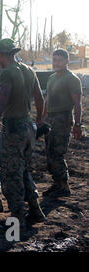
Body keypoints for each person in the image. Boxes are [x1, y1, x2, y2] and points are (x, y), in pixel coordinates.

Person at [0, 38, 46, 228]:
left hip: (13, 130)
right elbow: (40, 98)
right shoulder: (28, 70)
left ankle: (17, 218)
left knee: (9, 175)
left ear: (3, 54)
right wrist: (39, 119)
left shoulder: (8, 73)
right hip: (27, 128)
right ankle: (35, 209)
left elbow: (0, 104)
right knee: (23, 170)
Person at [43, 49, 83, 198]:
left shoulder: (72, 79)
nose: (56, 63)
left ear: (67, 61)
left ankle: (64, 186)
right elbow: (47, 99)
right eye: (54, 60)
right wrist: (42, 117)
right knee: (49, 153)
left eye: (59, 60)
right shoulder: (52, 77)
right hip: (50, 119)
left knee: (57, 153)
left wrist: (77, 125)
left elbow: (77, 104)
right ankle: (57, 183)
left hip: (63, 119)